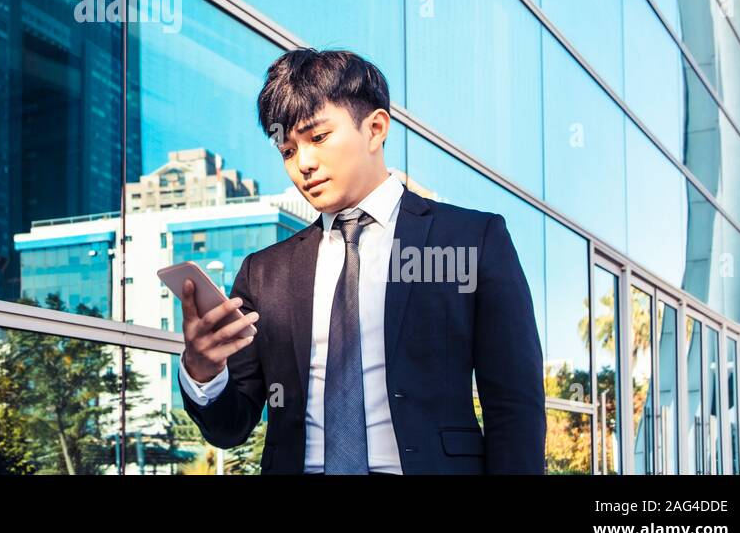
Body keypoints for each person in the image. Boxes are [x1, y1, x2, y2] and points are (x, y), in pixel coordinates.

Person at [179, 47, 544, 474]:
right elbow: (231, 427)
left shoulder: (471, 240)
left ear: (375, 129)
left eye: (317, 138)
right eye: (288, 151)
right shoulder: (265, 273)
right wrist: (203, 371)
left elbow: (515, 406)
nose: (304, 164)